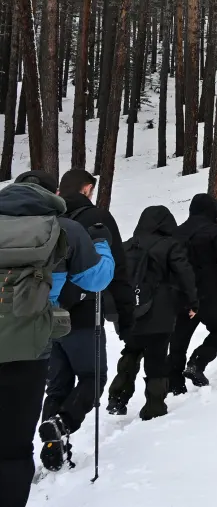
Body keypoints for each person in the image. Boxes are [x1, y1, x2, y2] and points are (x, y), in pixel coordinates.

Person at [0, 170, 113, 500]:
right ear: (53, 194)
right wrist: (101, 244)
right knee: (12, 448)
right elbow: (97, 280)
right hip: (29, 349)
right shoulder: (65, 228)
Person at [38, 169, 132, 471]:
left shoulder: (45, 220)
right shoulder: (96, 218)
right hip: (81, 314)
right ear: (88, 188)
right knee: (93, 378)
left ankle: (53, 446)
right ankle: (62, 424)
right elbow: (115, 270)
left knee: (57, 385)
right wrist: (125, 317)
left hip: (44, 315)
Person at [106, 206, 198, 421]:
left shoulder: (126, 246)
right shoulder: (169, 245)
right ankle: (154, 406)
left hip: (129, 312)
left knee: (131, 350)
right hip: (160, 310)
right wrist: (192, 301)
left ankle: (117, 398)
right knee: (156, 356)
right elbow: (185, 274)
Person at [168, 194, 217, 395]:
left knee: (178, 342)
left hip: (181, 297)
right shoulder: (213, 231)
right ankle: (197, 363)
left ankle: (175, 386)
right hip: (210, 295)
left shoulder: (176, 233)